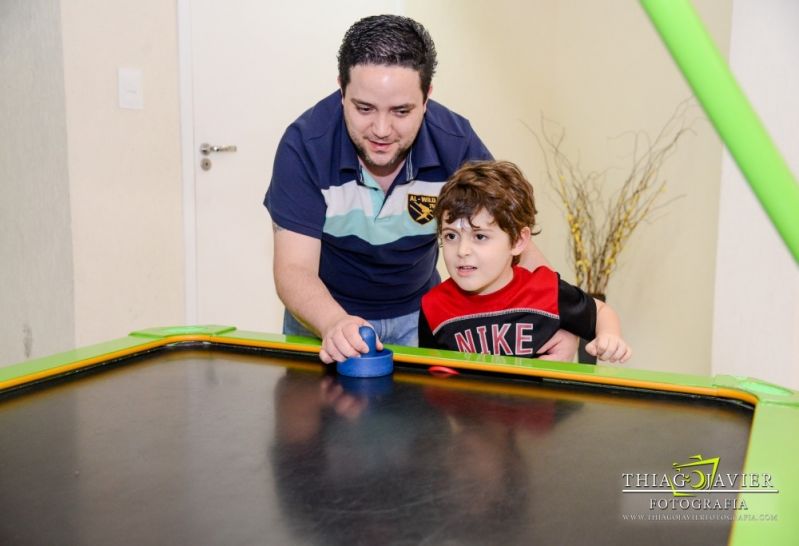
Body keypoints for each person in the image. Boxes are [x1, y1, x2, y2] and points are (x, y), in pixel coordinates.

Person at [264, 14, 577, 364]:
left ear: (427, 97)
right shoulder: (304, 145)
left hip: (424, 321)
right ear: (342, 90)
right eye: (364, 108)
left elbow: (512, 243)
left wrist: (559, 320)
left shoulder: (455, 143)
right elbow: (294, 269)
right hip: (322, 320)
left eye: (401, 111)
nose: (381, 129)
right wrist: (335, 323)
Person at [418, 160, 632, 363]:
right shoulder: (432, 307)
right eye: (451, 236)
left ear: (518, 241)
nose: (462, 251)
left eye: (480, 236)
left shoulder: (546, 291)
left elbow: (601, 312)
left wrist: (610, 336)